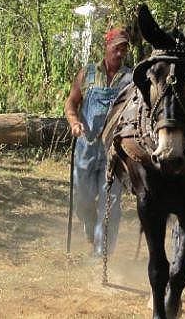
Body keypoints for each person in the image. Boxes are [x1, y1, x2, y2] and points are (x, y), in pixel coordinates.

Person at [64, 28, 132, 256]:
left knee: (110, 205)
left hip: (115, 151)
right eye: (117, 47)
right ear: (107, 46)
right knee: (83, 201)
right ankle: (90, 225)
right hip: (86, 147)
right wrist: (74, 123)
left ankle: (101, 255)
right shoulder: (88, 74)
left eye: (124, 48)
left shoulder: (131, 80)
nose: (121, 53)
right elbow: (71, 104)